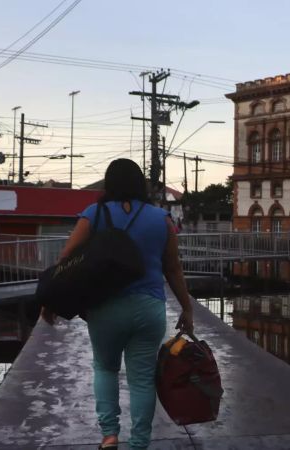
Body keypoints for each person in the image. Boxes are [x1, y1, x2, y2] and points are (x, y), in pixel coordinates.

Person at [41, 158, 194, 450]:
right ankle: (139, 444)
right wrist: (186, 309)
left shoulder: (93, 214)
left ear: (109, 183)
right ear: (141, 184)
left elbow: (66, 259)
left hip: (105, 308)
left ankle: (110, 436)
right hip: (149, 309)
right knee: (142, 380)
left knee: (105, 369)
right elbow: (173, 268)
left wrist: (50, 301)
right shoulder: (160, 218)